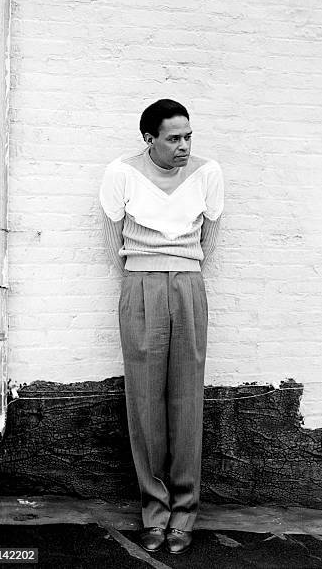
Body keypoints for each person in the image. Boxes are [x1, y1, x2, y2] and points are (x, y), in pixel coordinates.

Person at [98, 99, 223, 554]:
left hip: (188, 285)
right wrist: (147, 275)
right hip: (141, 286)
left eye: (189, 136)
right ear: (149, 140)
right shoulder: (121, 174)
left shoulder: (208, 173)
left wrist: (177, 269)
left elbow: (209, 236)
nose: (184, 146)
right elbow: (115, 241)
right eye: (174, 138)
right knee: (145, 401)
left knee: (187, 399)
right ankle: (155, 511)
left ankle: (185, 513)